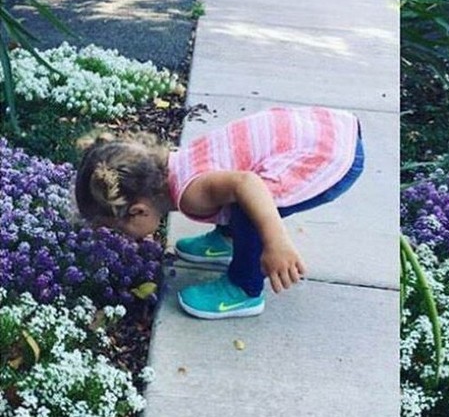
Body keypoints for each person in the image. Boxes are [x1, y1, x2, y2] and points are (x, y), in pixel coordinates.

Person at [75, 106, 364, 319]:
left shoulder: (191, 194)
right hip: (330, 130)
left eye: (116, 229)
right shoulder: (177, 165)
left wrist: (276, 242)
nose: (120, 237)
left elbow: (248, 184)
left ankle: (244, 287)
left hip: (329, 158)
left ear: (138, 211)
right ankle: (227, 239)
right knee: (238, 196)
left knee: (251, 210)